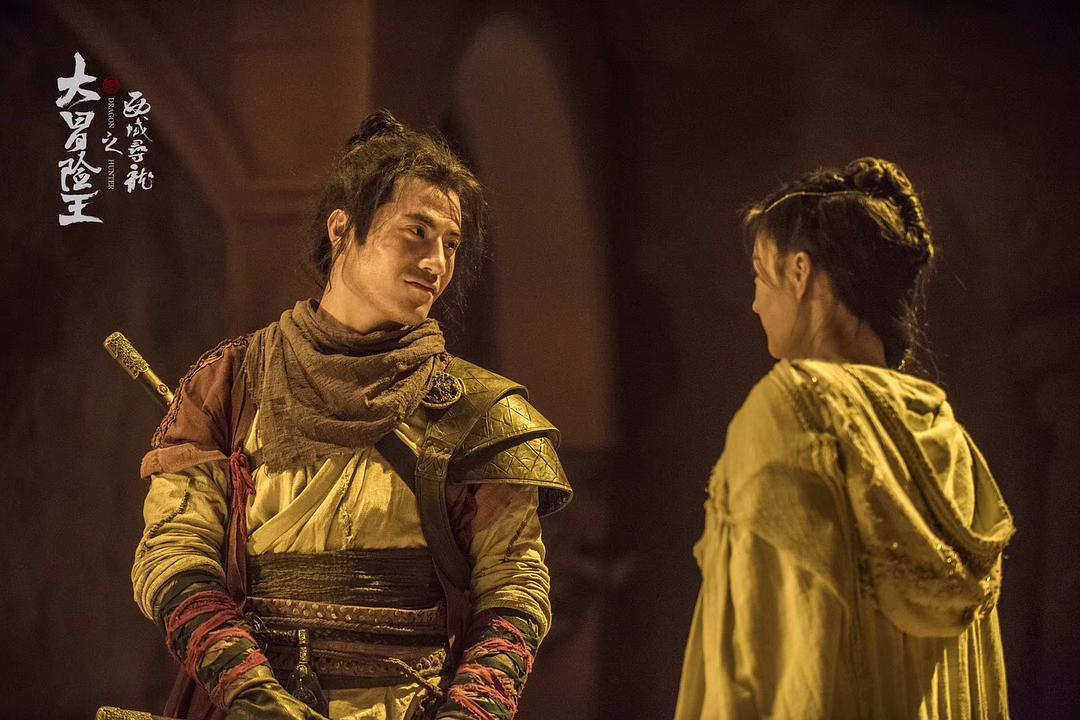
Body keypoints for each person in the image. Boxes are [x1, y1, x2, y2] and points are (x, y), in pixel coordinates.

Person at [131, 109, 572, 720]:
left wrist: (468, 713)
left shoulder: (481, 412)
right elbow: (175, 553)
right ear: (342, 230)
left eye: (450, 243)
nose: (437, 262)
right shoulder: (230, 384)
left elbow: (514, 591)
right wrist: (250, 693)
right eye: (416, 231)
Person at [674, 158, 1014, 719]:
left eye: (759, 275)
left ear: (800, 272)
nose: (755, 303)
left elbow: (768, 665)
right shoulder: (951, 441)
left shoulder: (791, 410)